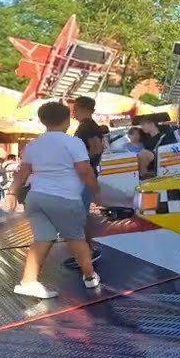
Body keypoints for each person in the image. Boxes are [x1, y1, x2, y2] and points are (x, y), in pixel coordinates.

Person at [0, 101, 101, 299]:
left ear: (42, 121)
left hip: (36, 197)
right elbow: (84, 170)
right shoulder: (73, 143)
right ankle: (90, 277)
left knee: (42, 239)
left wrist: (12, 193)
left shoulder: (33, 144)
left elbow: (23, 172)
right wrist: (96, 190)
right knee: (76, 238)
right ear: (67, 121)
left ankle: (28, 281)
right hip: (65, 197)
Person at [71, 96, 105, 264]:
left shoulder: (87, 127)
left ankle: (87, 251)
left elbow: (96, 148)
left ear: (81, 109)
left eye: (75, 109)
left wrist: (83, 162)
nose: (73, 113)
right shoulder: (89, 126)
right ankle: (86, 250)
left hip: (85, 174)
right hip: (86, 173)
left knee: (80, 214)